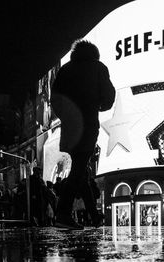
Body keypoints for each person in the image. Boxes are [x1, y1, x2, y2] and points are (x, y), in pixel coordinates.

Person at [51, 39, 116, 229]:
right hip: (87, 123)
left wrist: (66, 115)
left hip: (70, 126)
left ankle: (94, 216)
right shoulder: (98, 68)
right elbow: (109, 96)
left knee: (82, 170)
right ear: (94, 53)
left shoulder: (66, 70)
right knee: (79, 170)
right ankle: (63, 214)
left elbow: (55, 99)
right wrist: (99, 105)